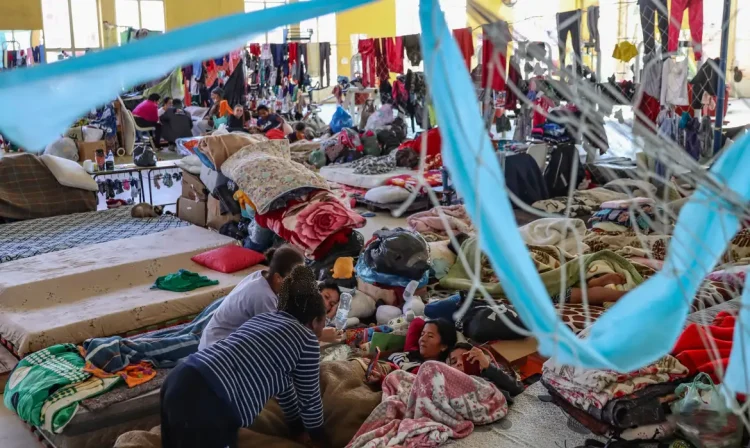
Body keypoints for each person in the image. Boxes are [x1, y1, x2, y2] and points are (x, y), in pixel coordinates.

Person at [161, 266, 330, 448]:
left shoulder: (264, 319)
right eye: (324, 321)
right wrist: (321, 440)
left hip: (179, 376)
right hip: (208, 398)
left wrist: (296, 429)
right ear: (314, 322)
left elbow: (286, 389)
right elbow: (310, 400)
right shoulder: (307, 339)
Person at [198, 245, 305, 350]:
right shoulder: (263, 296)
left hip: (211, 340)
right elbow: (276, 338)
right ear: (278, 278)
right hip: (216, 349)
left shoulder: (260, 275)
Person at [369, 318, 458, 380]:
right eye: (422, 334)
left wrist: (381, 378)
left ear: (444, 346)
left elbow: (404, 386)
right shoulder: (411, 350)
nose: (422, 339)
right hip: (370, 366)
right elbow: (417, 322)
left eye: (430, 336)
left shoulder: (430, 372)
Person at [448, 342, 525, 404]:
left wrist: (488, 366)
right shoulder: (450, 388)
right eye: (454, 362)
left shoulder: (489, 374)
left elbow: (518, 389)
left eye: (464, 358)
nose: (458, 363)